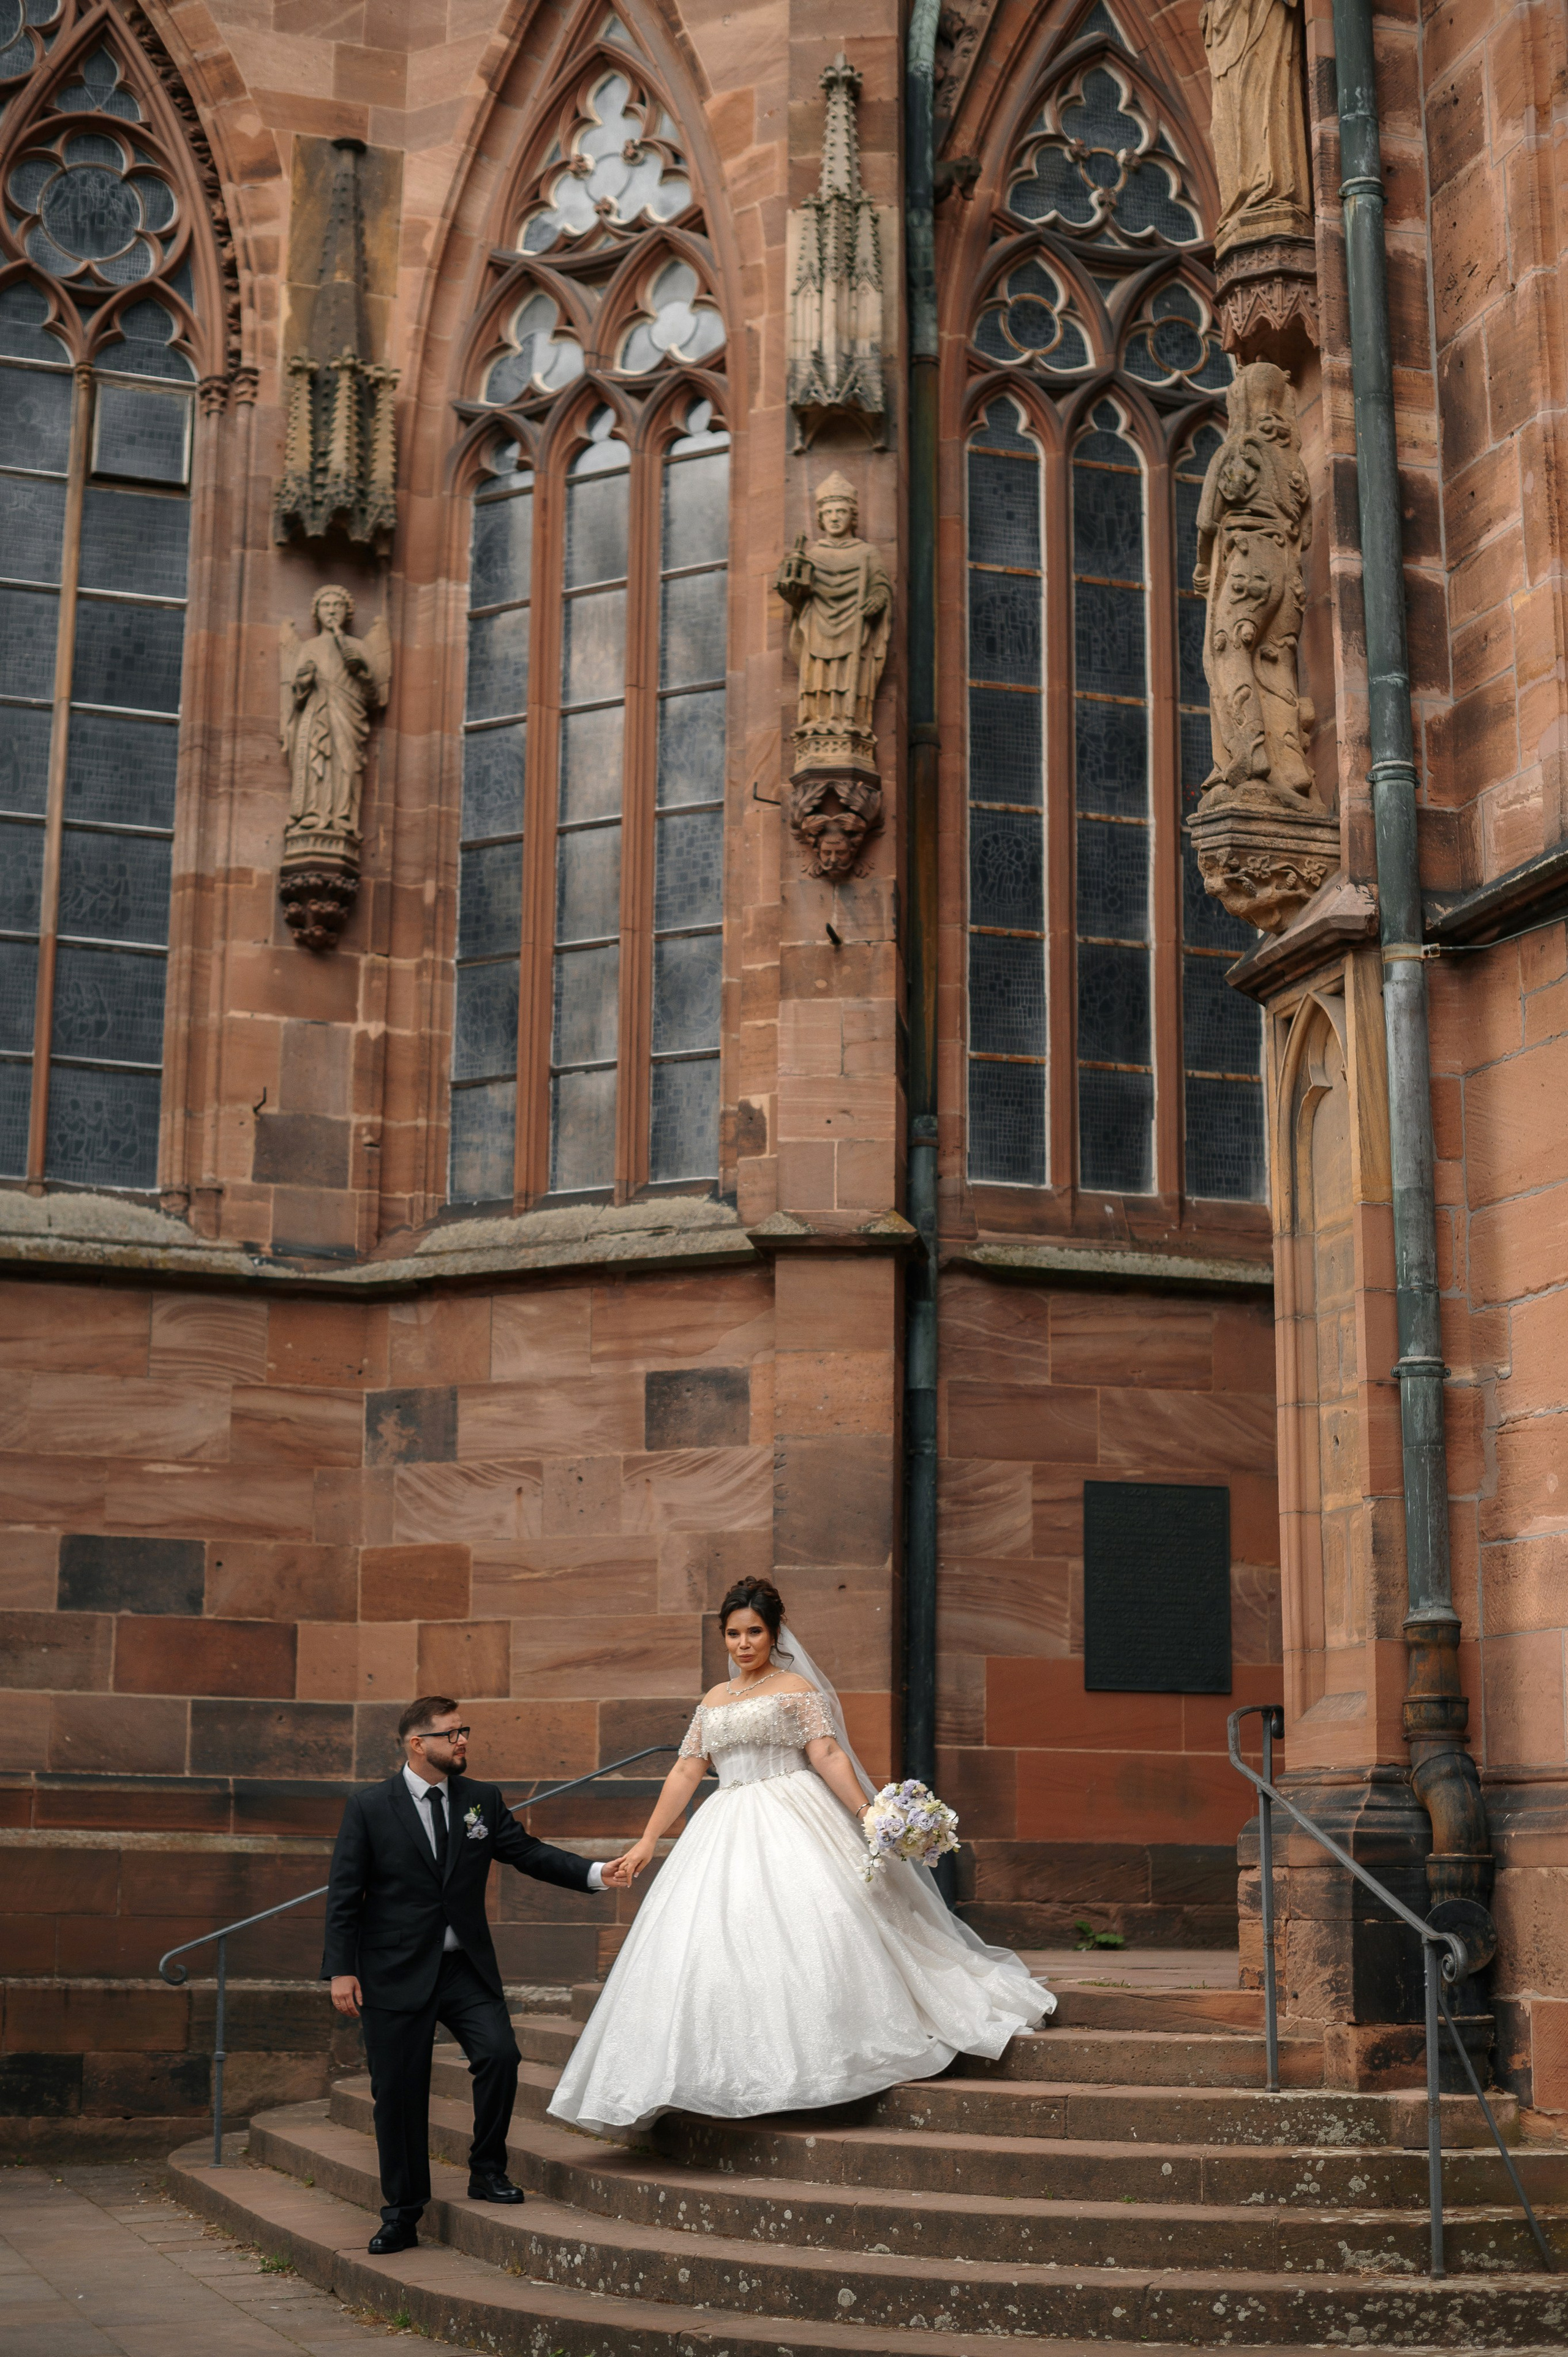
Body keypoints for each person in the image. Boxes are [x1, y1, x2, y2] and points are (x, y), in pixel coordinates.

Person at [548, 1580, 1054, 2133]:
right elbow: (687, 1771)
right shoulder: (713, 1700)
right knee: (711, 1940)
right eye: (733, 1634)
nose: (744, 1644)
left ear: (774, 1632)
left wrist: (868, 1813)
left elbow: (828, 1754)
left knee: (824, 1922)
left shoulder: (795, 1688)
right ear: (723, 1637)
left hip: (792, 1810)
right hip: (723, 1822)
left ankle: (826, 2061)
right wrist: (648, 1839)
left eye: (755, 1632)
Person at [322, 1694, 628, 2252]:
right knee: (399, 2094)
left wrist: (595, 1873)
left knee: (500, 2054)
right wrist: (340, 1970)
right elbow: (345, 1893)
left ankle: (487, 2169)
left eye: (465, 1731)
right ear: (418, 1744)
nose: (463, 1741)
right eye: (451, 1734)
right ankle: (403, 2212)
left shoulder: (479, 1800)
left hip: (462, 1967)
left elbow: (526, 1852)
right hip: (392, 1972)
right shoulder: (369, 1806)